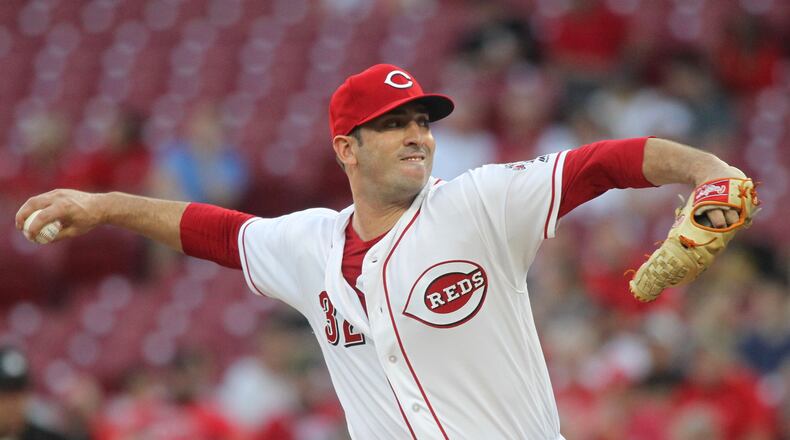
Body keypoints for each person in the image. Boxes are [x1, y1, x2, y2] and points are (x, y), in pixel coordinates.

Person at [17, 64, 749, 439]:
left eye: (422, 122)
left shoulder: (480, 204)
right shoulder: (309, 244)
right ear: (347, 148)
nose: (418, 135)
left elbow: (606, 162)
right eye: (394, 123)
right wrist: (105, 206)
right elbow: (215, 230)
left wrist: (706, 171)